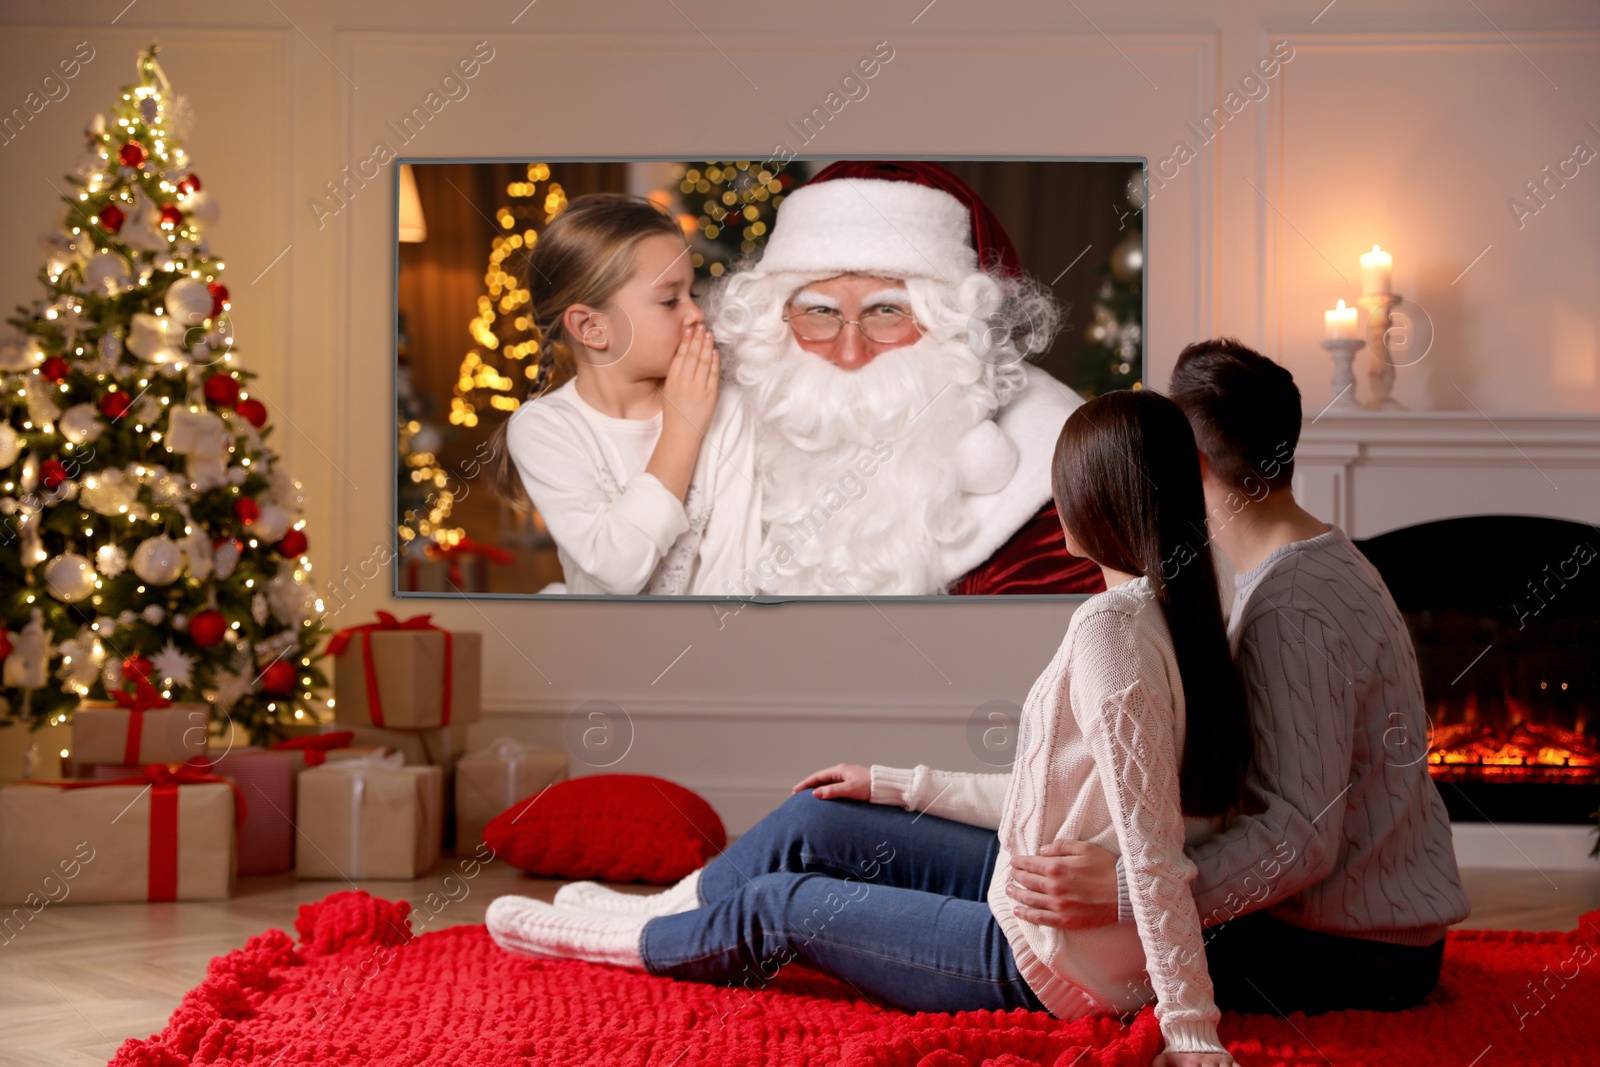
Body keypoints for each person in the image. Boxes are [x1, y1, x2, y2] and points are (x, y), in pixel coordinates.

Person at [487, 389, 1253, 1067]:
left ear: (1094, 498)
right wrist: (892, 784)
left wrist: (1191, 1031)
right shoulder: (1173, 616)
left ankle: (605, 942)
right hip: (1044, 912)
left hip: (1047, 965)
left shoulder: (1109, 630)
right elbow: (1052, 791)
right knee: (823, 813)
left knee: (783, 904)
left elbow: (1152, 858)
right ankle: (655, 909)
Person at [1004, 339, 1471, 1015]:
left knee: (1073, 945)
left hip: (1356, 954)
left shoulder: (1291, 604)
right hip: (1368, 932)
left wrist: (1124, 891)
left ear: (1188, 463)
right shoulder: (1317, 560)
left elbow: (1301, 840)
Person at [707, 160, 1104, 596]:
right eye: (821, 312)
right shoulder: (729, 433)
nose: (850, 354)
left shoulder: (1055, 481)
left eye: (886, 311)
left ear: (950, 325)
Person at [488, 194, 762, 595]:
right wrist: (682, 428)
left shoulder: (729, 408)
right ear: (591, 327)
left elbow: (733, 574)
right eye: (670, 300)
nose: (696, 314)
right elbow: (617, 570)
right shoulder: (543, 430)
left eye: (694, 294)